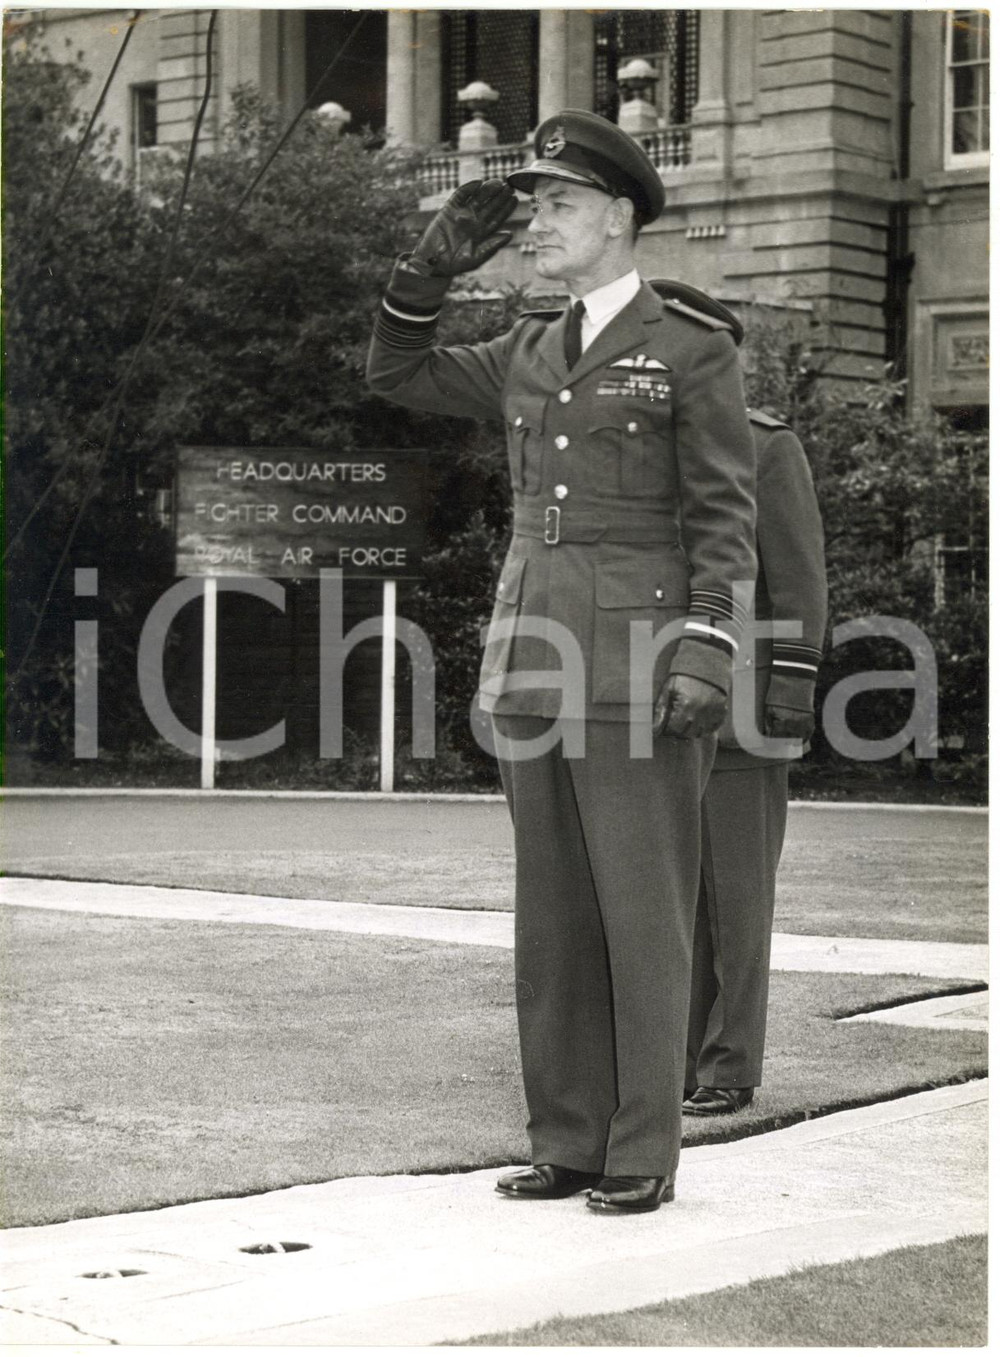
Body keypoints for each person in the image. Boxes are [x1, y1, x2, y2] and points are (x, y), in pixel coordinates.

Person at [367, 110, 757, 1213]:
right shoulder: (531, 346)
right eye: (532, 204)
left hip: (639, 663)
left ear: (620, 217)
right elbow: (395, 370)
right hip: (533, 657)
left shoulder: (692, 346)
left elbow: (722, 514)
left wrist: (707, 645)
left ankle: (641, 1150)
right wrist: (429, 265)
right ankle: (569, 1137)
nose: (536, 221)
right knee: (554, 917)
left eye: (559, 204)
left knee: (641, 912)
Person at [684, 402, 827, 1116]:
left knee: (736, 903)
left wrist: (794, 686)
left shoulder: (765, 445)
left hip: (743, 709)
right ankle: (677, 1060)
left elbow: (799, 575)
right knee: (674, 898)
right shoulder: (647, 438)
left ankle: (731, 1064)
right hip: (662, 703)